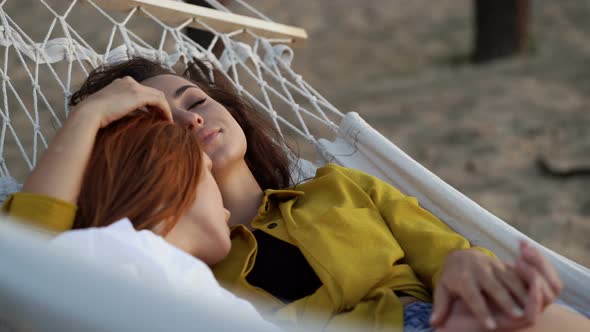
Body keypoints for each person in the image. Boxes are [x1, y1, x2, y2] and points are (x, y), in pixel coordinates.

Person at [3, 57, 588, 331]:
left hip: (431, 319)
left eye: (195, 100)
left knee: (557, 322)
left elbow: (447, 248)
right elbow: (30, 255)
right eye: (162, 121)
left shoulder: (341, 187)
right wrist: (93, 122)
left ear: (231, 112)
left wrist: (466, 265)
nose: (191, 121)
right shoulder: (167, 256)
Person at [2, 85, 277, 330]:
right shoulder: (114, 261)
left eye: (196, 102)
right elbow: (29, 262)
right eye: (205, 171)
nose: (192, 120)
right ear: (168, 176)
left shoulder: (179, 279)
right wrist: (88, 116)